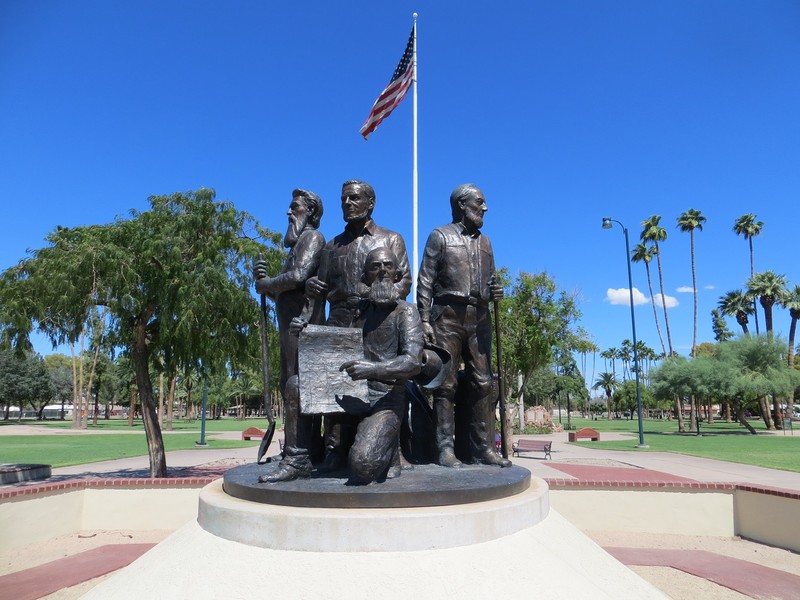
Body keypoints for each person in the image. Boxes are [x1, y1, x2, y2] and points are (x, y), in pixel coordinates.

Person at [302, 180, 412, 470]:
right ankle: (334, 450)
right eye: (343, 199)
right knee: (338, 386)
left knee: (383, 384)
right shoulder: (331, 246)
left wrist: (385, 301)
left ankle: (393, 449)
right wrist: (313, 288)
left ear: (370, 203)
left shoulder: (391, 239)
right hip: (339, 320)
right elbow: (322, 287)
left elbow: (405, 281)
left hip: (378, 319)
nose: (347, 203)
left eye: (354, 198)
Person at [416, 183, 511, 468]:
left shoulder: (486, 242)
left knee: (483, 383)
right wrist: (423, 319)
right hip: (447, 315)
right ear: (461, 205)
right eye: (479, 202)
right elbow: (425, 281)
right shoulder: (440, 236)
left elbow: (492, 279)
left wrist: (496, 292)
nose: (485, 208)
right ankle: (445, 448)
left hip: (480, 316)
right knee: (445, 384)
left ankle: (483, 448)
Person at [253, 189, 325, 483]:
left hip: (303, 327)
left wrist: (267, 284)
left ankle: (299, 457)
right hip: (291, 325)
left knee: (298, 387)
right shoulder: (296, 246)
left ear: (309, 212)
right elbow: (287, 293)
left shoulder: (312, 239)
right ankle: (304, 451)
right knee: (291, 386)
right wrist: (265, 286)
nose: (288, 212)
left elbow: (296, 277)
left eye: (294, 207)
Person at [338, 247, 423, 483]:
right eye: (375, 267)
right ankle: (298, 460)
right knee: (295, 387)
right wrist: (305, 330)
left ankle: (390, 452)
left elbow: (413, 361)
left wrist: (373, 370)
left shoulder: (405, 312)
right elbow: (331, 345)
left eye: (388, 266)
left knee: (363, 465)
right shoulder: (358, 313)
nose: (382, 272)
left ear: (397, 275)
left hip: (384, 398)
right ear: (365, 276)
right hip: (351, 395)